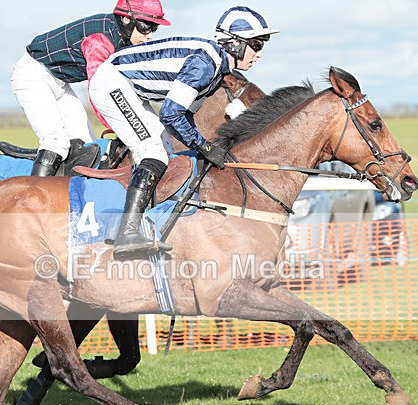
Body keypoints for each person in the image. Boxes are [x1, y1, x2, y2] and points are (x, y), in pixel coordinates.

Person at [88, 6, 278, 257]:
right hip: (111, 84)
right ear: (234, 43)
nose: (258, 54)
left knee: (166, 151)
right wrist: (205, 147)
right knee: (153, 154)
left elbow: (185, 116)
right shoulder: (205, 65)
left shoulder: (217, 68)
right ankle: (127, 232)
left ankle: (148, 221)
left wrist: (202, 146)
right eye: (256, 44)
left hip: (130, 89)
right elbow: (170, 114)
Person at [11, 1, 171, 176]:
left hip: (60, 83)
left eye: (153, 28)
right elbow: (99, 91)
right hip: (32, 76)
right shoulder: (100, 40)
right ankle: (36, 193)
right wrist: (119, 125)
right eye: (145, 27)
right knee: (55, 143)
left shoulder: (122, 38)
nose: (149, 36)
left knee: (88, 144)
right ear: (126, 20)